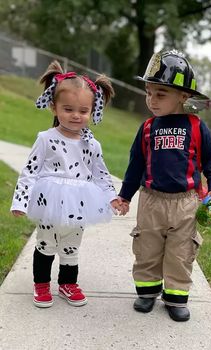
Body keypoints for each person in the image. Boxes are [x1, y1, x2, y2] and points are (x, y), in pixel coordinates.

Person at [118, 50, 211, 322]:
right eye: (148, 92)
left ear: (183, 96)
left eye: (160, 94)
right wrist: (125, 196)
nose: (152, 100)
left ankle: (176, 298)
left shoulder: (197, 127)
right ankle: (146, 293)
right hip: (151, 201)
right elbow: (135, 166)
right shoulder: (146, 128)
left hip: (186, 202)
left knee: (181, 252)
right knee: (147, 249)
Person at [11, 60, 122, 308]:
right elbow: (29, 172)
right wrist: (21, 200)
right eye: (68, 109)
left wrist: (111, 196)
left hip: (80, 203)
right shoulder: (46, 139)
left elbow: (101, 174)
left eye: (83, 111)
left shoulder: (92, 144)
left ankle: (67, 284)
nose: (76, 115)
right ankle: (41, 285)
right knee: (46, 244)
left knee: (71, 246)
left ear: (93, 111)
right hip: (49, 200)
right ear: (54, 107)